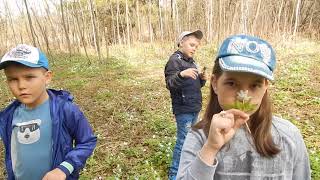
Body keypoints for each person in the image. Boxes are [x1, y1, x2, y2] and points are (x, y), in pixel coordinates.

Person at [176, 35, 311, 179]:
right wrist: (210, 148)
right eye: (232, 83)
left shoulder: (289, 136)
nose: (243, 95)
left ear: (265, 86)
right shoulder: (199, 137)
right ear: (215, 83)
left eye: (255, 85)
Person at [0, 44, 97, 180]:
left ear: (47, 77)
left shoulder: (65, 110)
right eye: (13, 79)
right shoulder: (8, 116)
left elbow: (87, 141)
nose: (21, 86)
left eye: (29, 77)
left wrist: (64, 169)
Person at [164, 30, 208, 180]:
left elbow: (195, 85)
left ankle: (189, 165)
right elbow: (170, 83)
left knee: (193, 138)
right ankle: (174, 174)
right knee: (183, 140)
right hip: (183, 109)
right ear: (181, 42)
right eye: (191, 45)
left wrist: (202, 79)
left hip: (194, 106)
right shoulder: (174, 61)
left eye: (196, 46)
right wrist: (181, 74)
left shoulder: (192, 62)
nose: (194, 48)